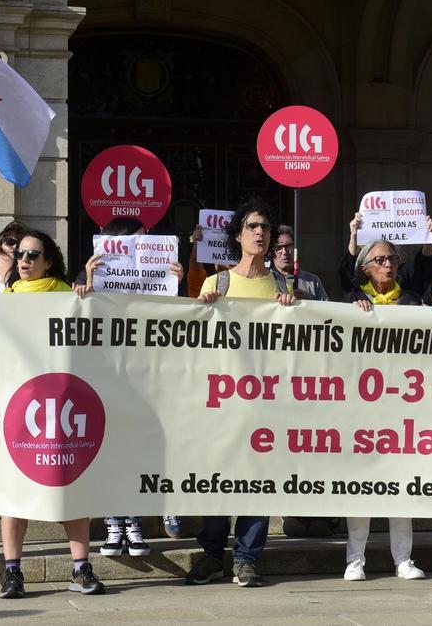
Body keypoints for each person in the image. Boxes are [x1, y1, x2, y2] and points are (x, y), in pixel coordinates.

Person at [187, 199, 295, 589]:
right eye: (252, 226)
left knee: (258, 479)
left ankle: (247, 557)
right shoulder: (218, 283)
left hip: (265, 401)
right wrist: (203, 309)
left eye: (265, 227)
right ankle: (213, 553)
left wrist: (292, 311)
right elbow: (196, 342)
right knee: (218, 479)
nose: (260, 233)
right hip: (223, 400)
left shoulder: (283, 286)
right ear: (238, 235)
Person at [0, 230, 105, 598]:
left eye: (32, 254)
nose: (23, 259)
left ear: (49, 261)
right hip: (20, 407)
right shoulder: (2, 299)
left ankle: (80, 567)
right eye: (19, 253)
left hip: (63, 405)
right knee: (14, 490)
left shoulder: (65, 293)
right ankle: (12, 571)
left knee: (70, 484)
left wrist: (87, 297)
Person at [74, 216, 185, 557]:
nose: (146, 244)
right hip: (107, 373)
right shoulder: (89, 274)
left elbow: (174, 320)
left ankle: (133, 522)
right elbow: (74, 319)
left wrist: (175, 285)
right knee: (111, 447)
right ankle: (113, 522)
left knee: (135, 447)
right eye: (140, 240)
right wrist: (87, 283)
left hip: (145, 372)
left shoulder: (160, 274)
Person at [340, 239, 424, 580]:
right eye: (379, 260)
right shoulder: (349, 302)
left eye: (392, 259)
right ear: (364, 268)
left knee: (400, 486)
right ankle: (354, 560)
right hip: (361, 408)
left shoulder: (413, 301)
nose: (388, 265)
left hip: (401, 406)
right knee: (361, 487)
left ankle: (403, 559)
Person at [274, 224, 329, 301]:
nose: (284, 252)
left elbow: (326, 310)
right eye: (279, 247)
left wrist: (306, 303)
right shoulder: (267, 280)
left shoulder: (312, 281)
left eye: (289, 246)